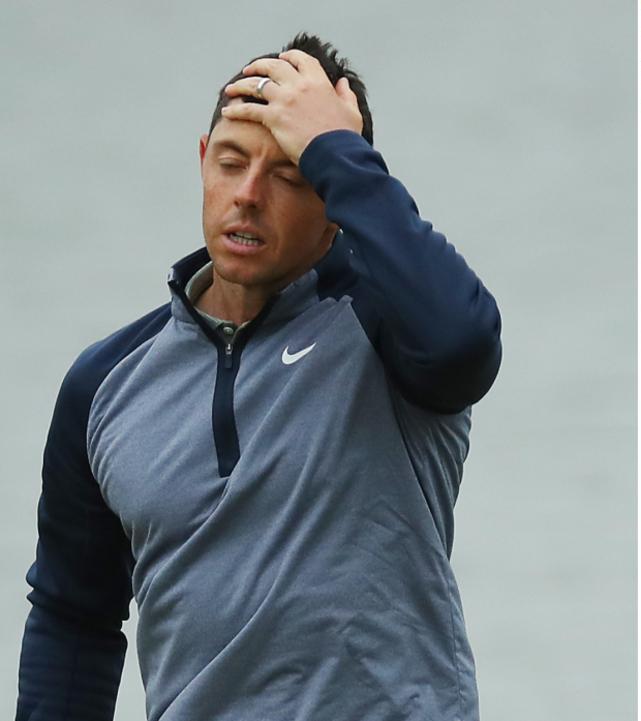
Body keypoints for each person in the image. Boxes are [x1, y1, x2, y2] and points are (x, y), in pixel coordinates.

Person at [16, 34, 501, 721]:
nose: (247, 195)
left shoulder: (389, 323)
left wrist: (344, 157)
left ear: (338, 197)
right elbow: (74, 617)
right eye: (232, 162)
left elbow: (464, 346)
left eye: (290, 175)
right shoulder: (104, 384)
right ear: (202, 161)